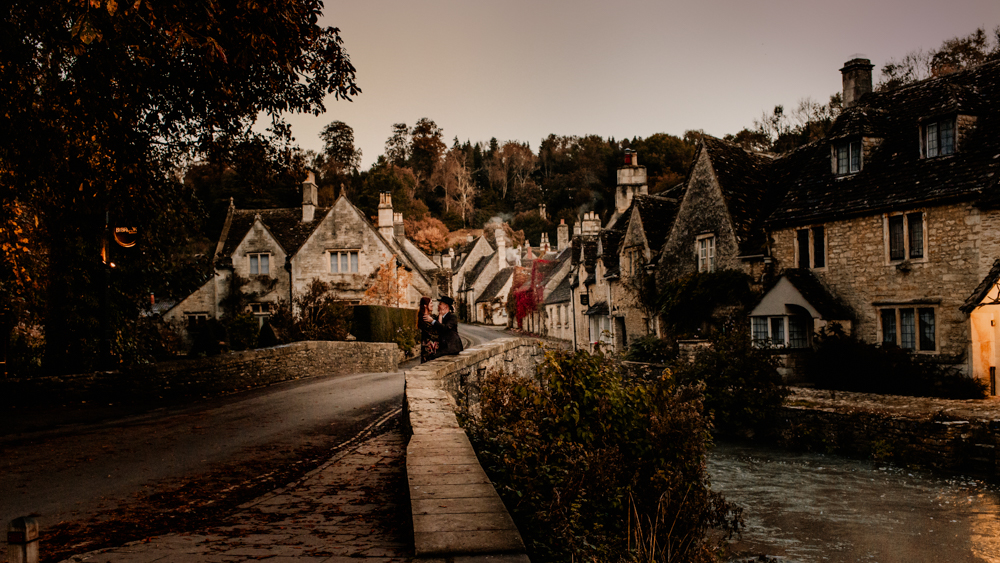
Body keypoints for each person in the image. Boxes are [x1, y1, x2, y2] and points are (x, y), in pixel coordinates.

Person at [417, 296, 438, 363]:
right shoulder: (423, 319)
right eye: (430, 303)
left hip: (434, 348)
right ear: (425, 306)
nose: (432, 305)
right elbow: (431, 334)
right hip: (428, 349)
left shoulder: (432, 317)